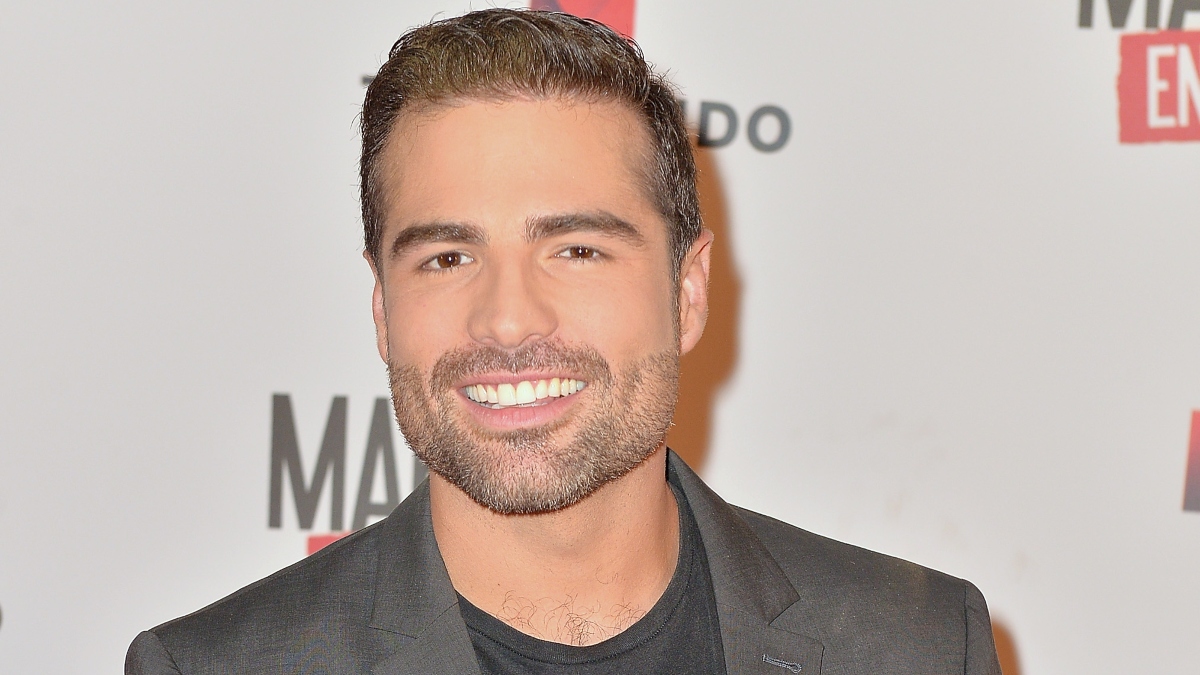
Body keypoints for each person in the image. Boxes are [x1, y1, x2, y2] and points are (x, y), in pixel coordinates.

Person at [125, 9, 1001, 674]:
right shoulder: (211, 667)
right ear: (383, 309)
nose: (508, 319)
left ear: (687, 291)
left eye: (576, 250)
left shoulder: (917, 645)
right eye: (446, 257)